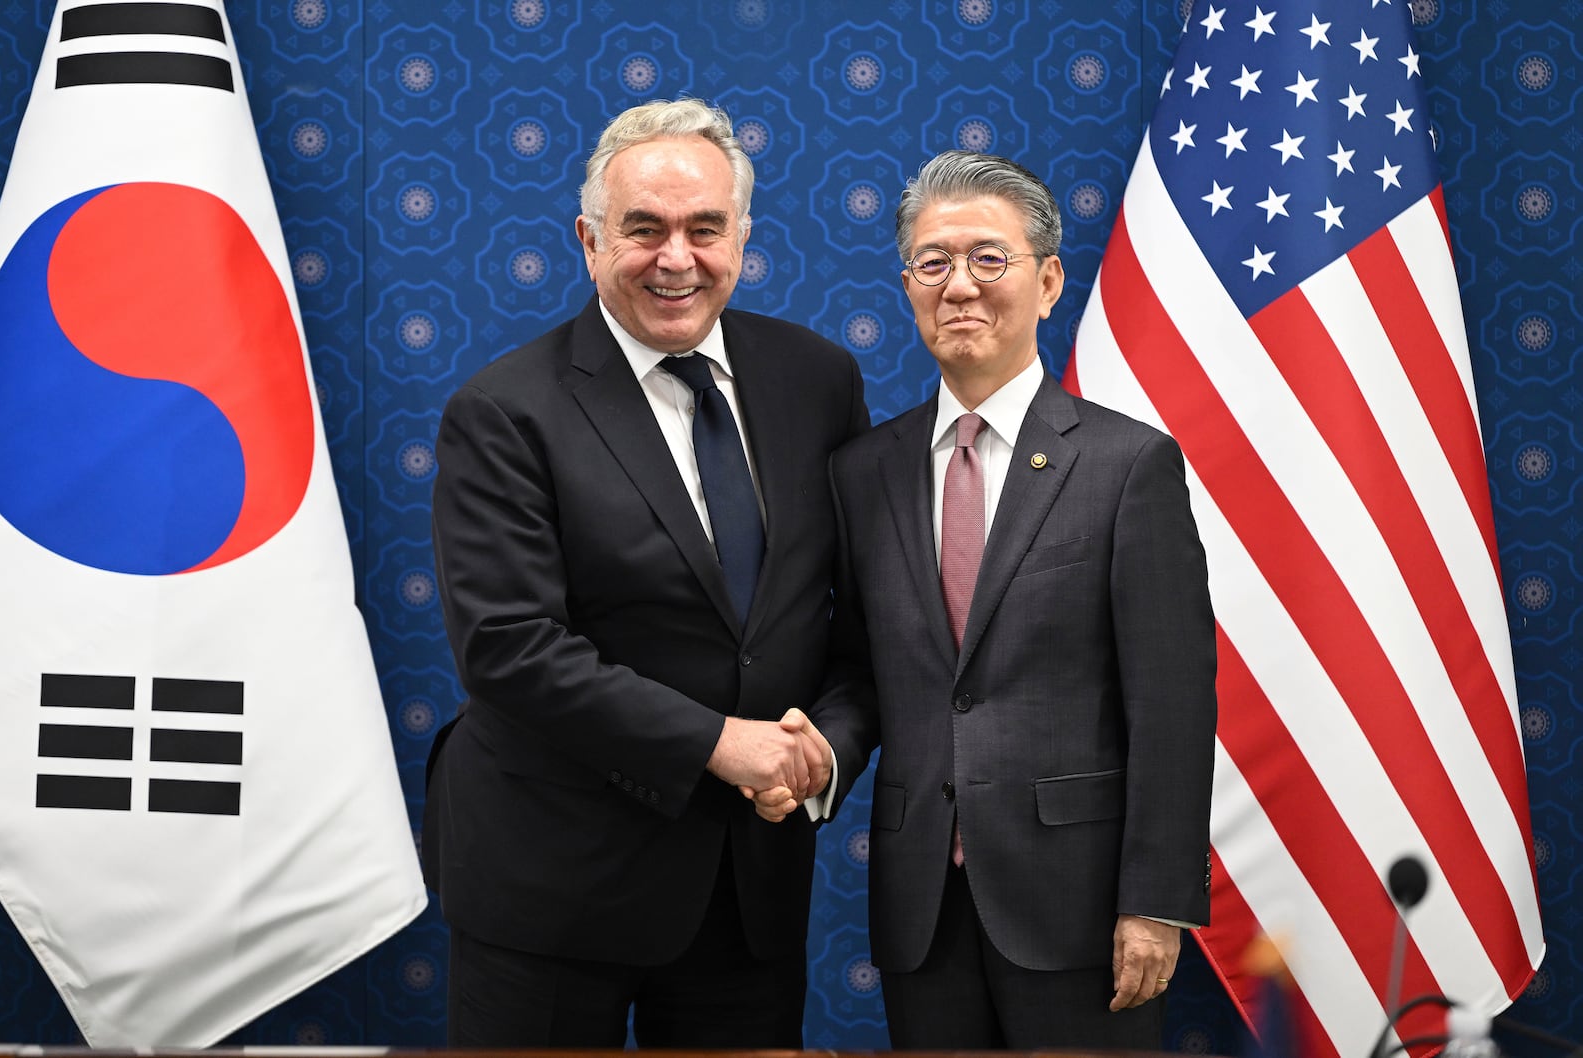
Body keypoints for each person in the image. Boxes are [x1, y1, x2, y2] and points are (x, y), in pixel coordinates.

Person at [423, 98, 865, 1048]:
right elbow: (510, 649)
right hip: (552, 883)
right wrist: (721, 742)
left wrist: (821, 751)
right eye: (644, 229)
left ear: (741, 238)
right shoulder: (505, 411)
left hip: (747, 887)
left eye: (706, 228)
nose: (678, 258)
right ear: (588, 239)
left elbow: (860, 621)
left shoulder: (817, 380)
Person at [799, 150, 1217, 1048]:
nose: (960, 287)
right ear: (908, 283)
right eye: (934, 262)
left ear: (1049, 279)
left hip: (1080, 907)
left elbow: (1172, 702)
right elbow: (861, 672)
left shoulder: (1127, 465)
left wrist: (1154, 903)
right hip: (922, 910)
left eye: (990, 258)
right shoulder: (862, 471)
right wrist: (820, 754)